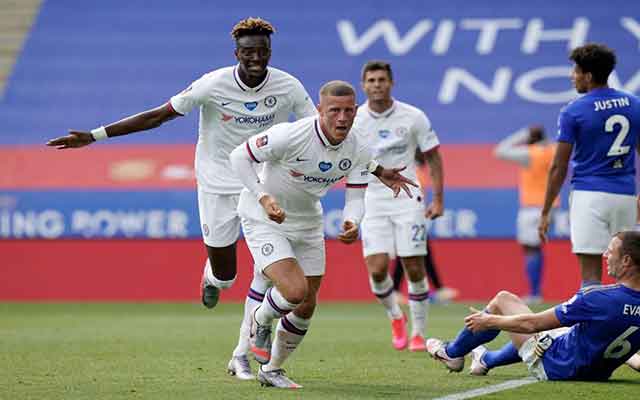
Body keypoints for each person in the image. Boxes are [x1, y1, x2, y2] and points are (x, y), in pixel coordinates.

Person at [45, 17, 318, 380]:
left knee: (266, 272)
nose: (256, 58)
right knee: (226, 274)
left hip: (262, 187)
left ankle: (241, 354)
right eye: (248, 52)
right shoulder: (212, 84)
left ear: (270, 52)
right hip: (217, 184)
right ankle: (212, 279)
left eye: (262, 51)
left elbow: (313, 129)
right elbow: (158, 116)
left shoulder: (288, 86)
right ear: (236, 53)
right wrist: (94, 136)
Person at [228, 80, 416, 388]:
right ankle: (261, 321)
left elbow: (356, 196)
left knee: (306, 305)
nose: (341, 118)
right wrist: (262, 195)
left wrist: (352, 222)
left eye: (347, 111)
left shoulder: (358, 147)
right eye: (334, 111)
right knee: (293, 290)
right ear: (319, 111)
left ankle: (271, 370)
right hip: (264, 217)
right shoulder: (291, 135)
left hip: (308, 222)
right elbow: (239, 156)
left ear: (355, 112)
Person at [427, 231, 640, 381]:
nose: (605, 255)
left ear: (626, 261)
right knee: (567, 328)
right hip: (596, 374)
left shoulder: (597, 297)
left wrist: (489, 321)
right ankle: (485, 359)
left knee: (503, 300)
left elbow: (532, 324)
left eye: (610, 251)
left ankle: (452, 353)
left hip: (556, 365)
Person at [351, 61, 444, 352]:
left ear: (391, 83)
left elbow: (434, 157)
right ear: (363, 85)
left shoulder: (413, 116)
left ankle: (419, 332)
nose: (377, 85)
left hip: (408, 197)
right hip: (372, 198)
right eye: (371, 80)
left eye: (381, 80)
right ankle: (395, 316)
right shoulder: (354, 119)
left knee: (414, 267)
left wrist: (439, 198)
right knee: (378, 270)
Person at [539, 43, 640, 288]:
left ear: (589, 76)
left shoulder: (573, 111)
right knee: (630, 275)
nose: (572, 76)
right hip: (625, 194)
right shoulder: (634, 103)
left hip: (589, 195)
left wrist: (545, 212)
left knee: (591, 276)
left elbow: (558, 167)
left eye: (575, 71)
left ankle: (591, 326)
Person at [495, 125, 558, 304]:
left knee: (531, 248)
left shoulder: (530, 154)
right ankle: (536, 291)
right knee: (536, 247)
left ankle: (535, 292)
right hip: (551, 205)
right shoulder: (553, 150)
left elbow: (500, 150)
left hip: (532, 207)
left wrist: (522, 134)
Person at [392, 152, 458, 305]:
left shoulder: (419, 168)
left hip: (415, 216)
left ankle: (396, 290)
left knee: (415, 252)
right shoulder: (409, 167)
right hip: (407, 217)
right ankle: (437, 289)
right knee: (414, 252)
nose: (427, 156)